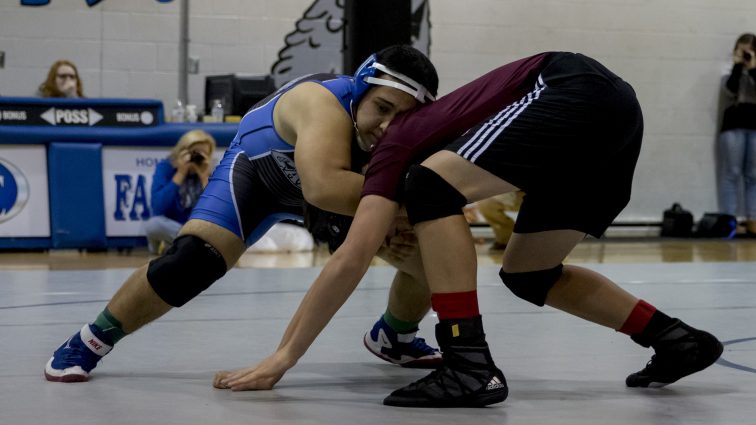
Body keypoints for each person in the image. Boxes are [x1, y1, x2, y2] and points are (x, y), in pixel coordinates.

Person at [214, 52, 724, 408]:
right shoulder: (430, 135)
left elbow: (351, 258)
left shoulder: (396, 151)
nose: (388, 127)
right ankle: (676, 339)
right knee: (530, 272)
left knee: (429, 189)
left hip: (569, 84)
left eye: (396, 112)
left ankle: (467, 362)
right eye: (381, 111)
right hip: (616, 115)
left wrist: (283, 357)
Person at [44, 45, 442, 382]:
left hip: (337, 190)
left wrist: (402, 215)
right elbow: (324, 188)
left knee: (428, 255)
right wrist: (399, 206)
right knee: (192, 261)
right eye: (383, 108)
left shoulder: (410, 132)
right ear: (360, 89)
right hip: (260, 171)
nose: (389, 127)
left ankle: (395, 335)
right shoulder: (320, 103)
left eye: (403, 119)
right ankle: (91, 339)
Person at [144, 129, 216, 255]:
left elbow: (214, 212)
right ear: (182, 150)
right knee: (153, 224)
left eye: (202, 155)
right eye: (194, 153)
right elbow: (158, 208)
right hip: (173, 227)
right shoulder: (166, 167)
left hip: (196, 228)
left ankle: (177, 247)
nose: (196, 158)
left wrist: (204, 177)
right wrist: (180, 173)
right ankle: (186, 245)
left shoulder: (209, 172)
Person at [718, 33, 756, 236]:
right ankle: (729, 220)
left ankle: (753, 220)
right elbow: (729, 90)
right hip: (734, 125)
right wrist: (738, 65)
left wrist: (753, 68)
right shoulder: (729, 67)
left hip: (754, 125)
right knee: (731, 173)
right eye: (743, 49)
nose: (746, 53)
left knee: (753, 175)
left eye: (750, 49)